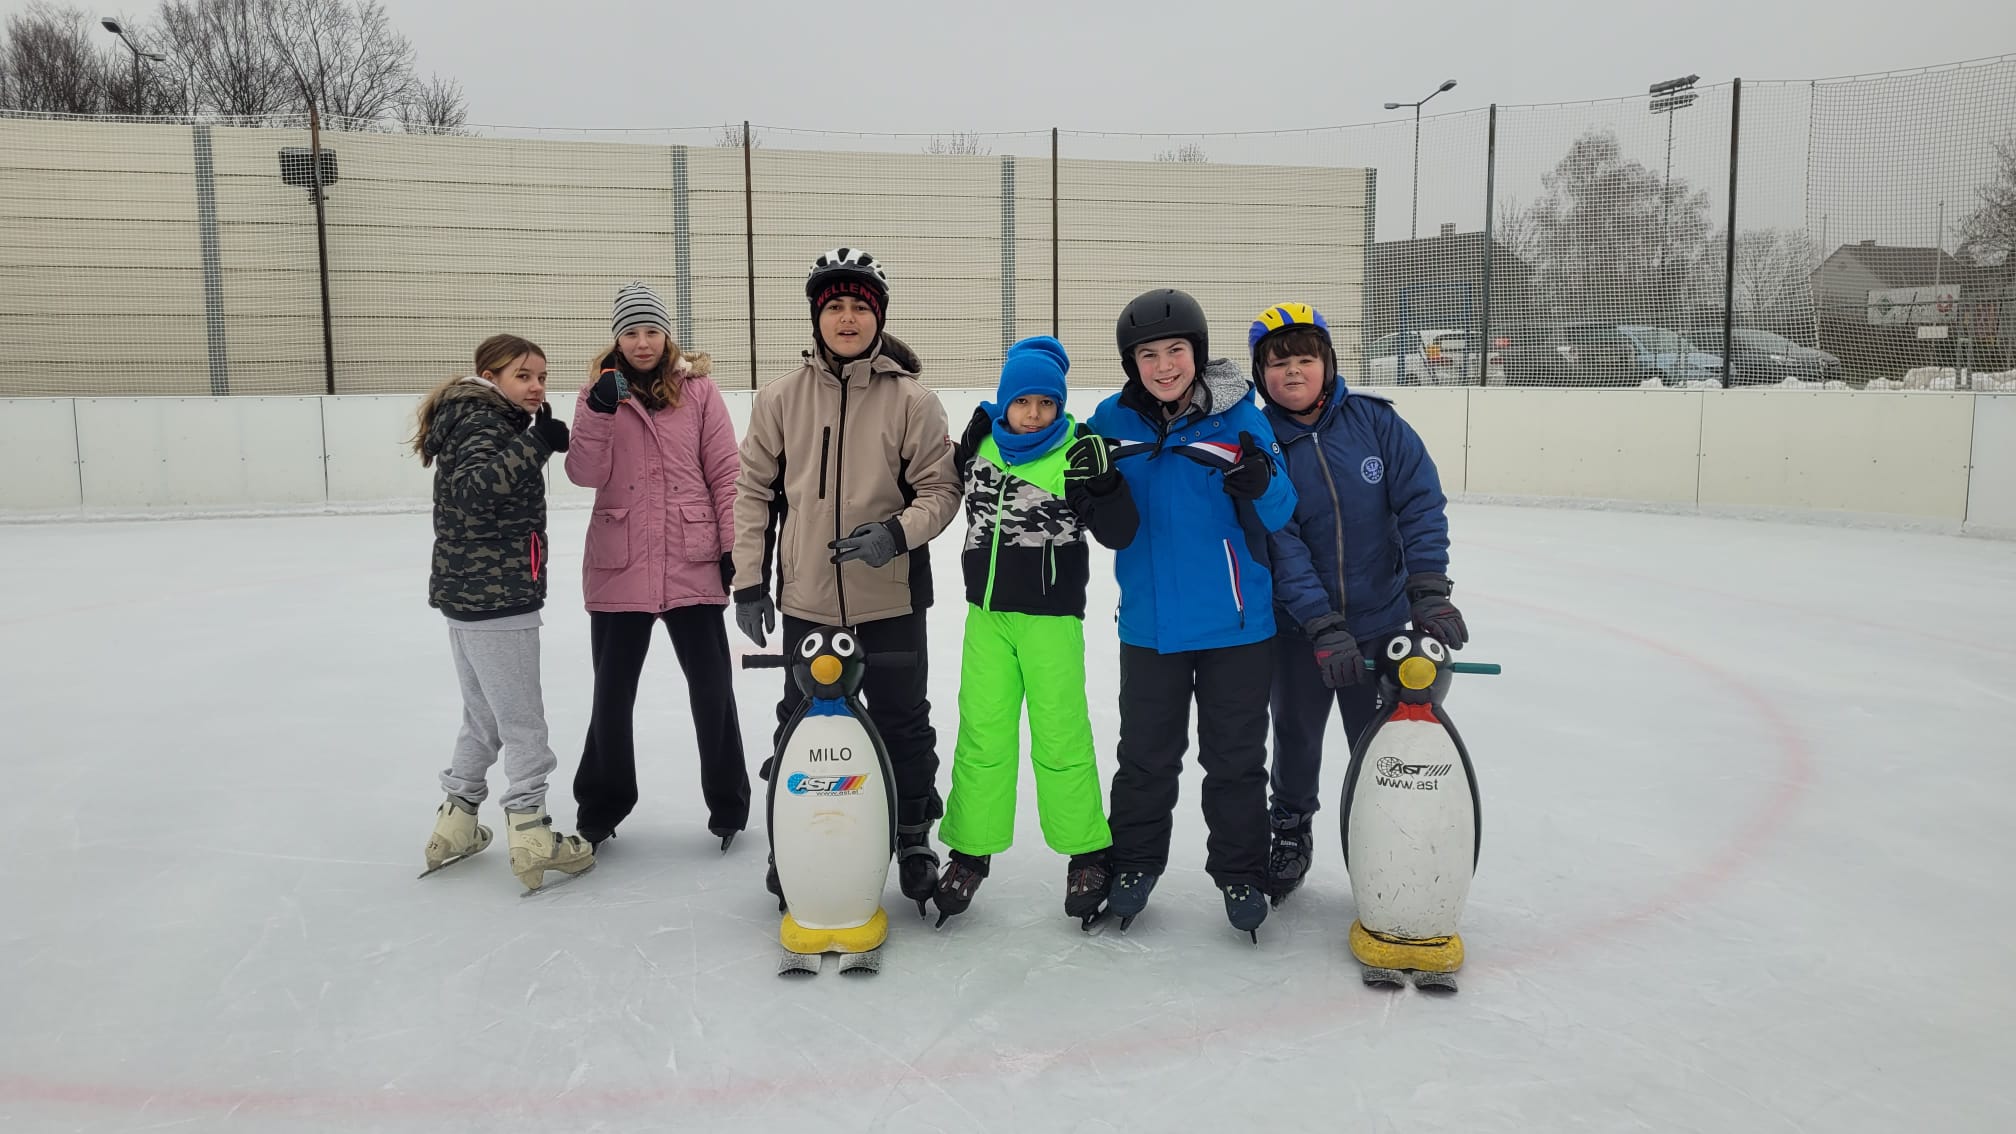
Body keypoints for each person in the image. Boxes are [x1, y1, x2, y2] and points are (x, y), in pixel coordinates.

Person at [730, 248, 962, 913]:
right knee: (799, 720)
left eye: (861, 306)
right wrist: (750, 583)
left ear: (879, 317)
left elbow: (940, 492)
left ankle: (913, 834)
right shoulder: (779, 399)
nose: (848, 317)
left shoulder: (913, 401)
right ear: (816, 317)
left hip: (891, 596)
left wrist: (895, 534)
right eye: (835, 306)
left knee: (902, 721)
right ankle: (791, 840)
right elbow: (753, 495)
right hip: (808, 597)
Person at [1085, 288, 1298, 938]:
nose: (1164, 364)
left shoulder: (1239, 417)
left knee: (1234, 760)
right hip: (1151, 628)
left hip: (1237, 626)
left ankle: (1241, 871)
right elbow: (1108, 526)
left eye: (1175, 350)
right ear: (1132, 363)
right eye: (1148, 354)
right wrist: (1093, 494)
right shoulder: (1109, 420)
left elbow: (1282, 508)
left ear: (1197, 354)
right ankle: (1133, 865)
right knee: (1146, 757)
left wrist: (1262, 482)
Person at [1247, 302, 1466, 903]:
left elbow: (1421, 503)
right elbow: (1280, 540)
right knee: (1294, 734)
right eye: (1278, 363)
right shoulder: (1260, 441)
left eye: (1304, 359)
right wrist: (1319, 623)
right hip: (1299, 630)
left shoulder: (1375, 424)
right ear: (1261, 374)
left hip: (1380, 620)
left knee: (1380, 738)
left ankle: (1387, 831)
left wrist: (1428, 591)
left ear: (1327, 362)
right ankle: (1290, 830)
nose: (1292, 373)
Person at [932, 335, 1138, 928]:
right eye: (1022, 402)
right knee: (983, 734)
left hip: (1050, 622)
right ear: (1003, 403)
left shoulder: (1077, 453)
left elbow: (1120, 531)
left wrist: (1104, 486)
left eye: (1046, 404)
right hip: (987, 619)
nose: (1033, 414)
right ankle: (970, 852)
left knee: (1060, 735)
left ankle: (1087, 853)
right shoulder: (980, 445)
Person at [565, 281, 748, 853]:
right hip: (621, 563)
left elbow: (725, 472)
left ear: (667, 335)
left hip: (692, 558)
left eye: (651, 331)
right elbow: (583, 473)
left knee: (712, 690)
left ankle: (729, 805)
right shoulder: (595, 394)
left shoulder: (698, 391)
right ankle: (602, 806)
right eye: (631, 332)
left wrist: (731, 547)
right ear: (615, 337)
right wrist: (596, 412)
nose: (642, 343)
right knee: (611, 695)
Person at [412, 333, 596, 893]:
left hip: (469, 598)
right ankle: (533, 831)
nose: (537, 386)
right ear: (490, 376)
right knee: (522, 722)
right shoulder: (483, 422)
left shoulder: (478, 418)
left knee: (484, 717)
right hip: (497, 598)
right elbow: (474, 492)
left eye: (542, 375)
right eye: (523, 375)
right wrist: (537, 444)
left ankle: (458, 820)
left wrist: (531, 437)